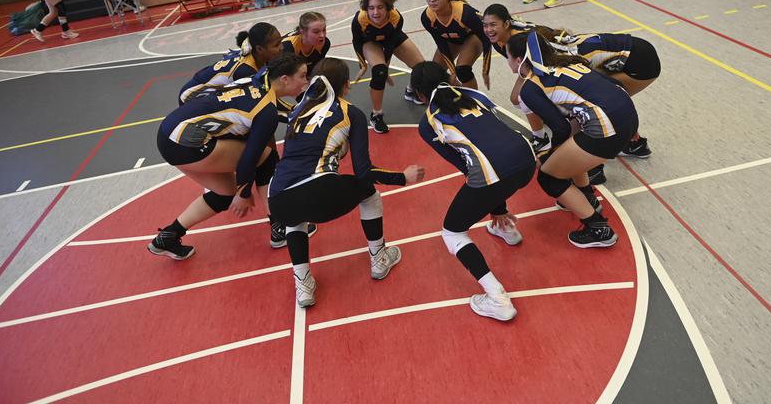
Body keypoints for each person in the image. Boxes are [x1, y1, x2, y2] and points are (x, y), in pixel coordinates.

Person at [269, 58, 425, 307]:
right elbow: (364, 171)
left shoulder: (298, 109)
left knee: (294, 218)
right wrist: (401, 178)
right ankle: (379, 257)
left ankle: (303, 283)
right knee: (369, 193)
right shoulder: (350, 112)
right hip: (321, 193)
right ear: (345, 86)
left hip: (277, 201)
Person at [150, 54, 309, 260]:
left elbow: (279, 112)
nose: (306, 82)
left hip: (168, 135)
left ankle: (168, 237)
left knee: (224, 193)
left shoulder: (254, 82)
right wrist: (243, 193)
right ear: (285, 79)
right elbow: (249, 158)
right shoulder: (266, 110)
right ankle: (279, 226)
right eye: (303, 76)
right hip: (183, 141)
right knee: (266, 158)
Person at [410, 61, 536, 321]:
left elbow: (468, 168)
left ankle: (497, 298)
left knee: (452, 231)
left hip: (496, 172)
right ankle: (506, 229)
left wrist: (494, 205)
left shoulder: (428, 124)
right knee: (496, 177)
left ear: (420, 95)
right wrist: (497, 209)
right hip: (527, 160)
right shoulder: (471, 95)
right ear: (449, 77)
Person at [482, 4, 659, 181]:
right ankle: (628, 142)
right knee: (584, 104)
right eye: (485, 25)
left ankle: (601, 161)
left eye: (493, 24)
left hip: (639, 60)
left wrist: (554, 150)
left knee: (595, 104)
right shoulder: (519, 41)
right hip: (627, 51)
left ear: (506, 24)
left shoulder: (538, 49)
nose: (488, 29)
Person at [505, 32, 636, 248]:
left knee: (549, 177)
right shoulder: (568, 63)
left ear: (519, 61)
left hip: (608, 128)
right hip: (627, 116)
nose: (508, 62)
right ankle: (587, 197)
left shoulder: (530, 87)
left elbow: (560, 128)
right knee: (570, 148)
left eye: (508, 57)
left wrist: (545, 155)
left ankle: (598, 229)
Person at [351, 0, 427, 132]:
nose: (375, 12)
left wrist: (386, 66)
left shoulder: (396, 18)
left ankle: (411, 91)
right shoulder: (360, 20)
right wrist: (364, 65)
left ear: (388, 7)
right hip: (369, 42)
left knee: (420, 67)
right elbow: (357, 42)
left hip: (391, 39)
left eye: (380, 7)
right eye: (371, 8)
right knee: (379, 72)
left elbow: (390, 45)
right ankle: (376, 114)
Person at [179, 22, 282, 104]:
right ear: (259, 49)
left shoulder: (254, 56)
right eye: (277, 45)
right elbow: (267, 101)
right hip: (191, 97)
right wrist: (293, 110)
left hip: (198, 90)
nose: (282, 47)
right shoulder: (246, 70)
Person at [421, 0, 492, 89]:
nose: (432, 0)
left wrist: (485, 71)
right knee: (435, 72)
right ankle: (458, 92)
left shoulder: (465, 13)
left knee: (462, 70)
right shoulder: (427, 17)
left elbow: (486, 39)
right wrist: (452, 71)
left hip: (472, 37)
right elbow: (441, 44)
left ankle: (474, 102)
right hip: (451, 40)